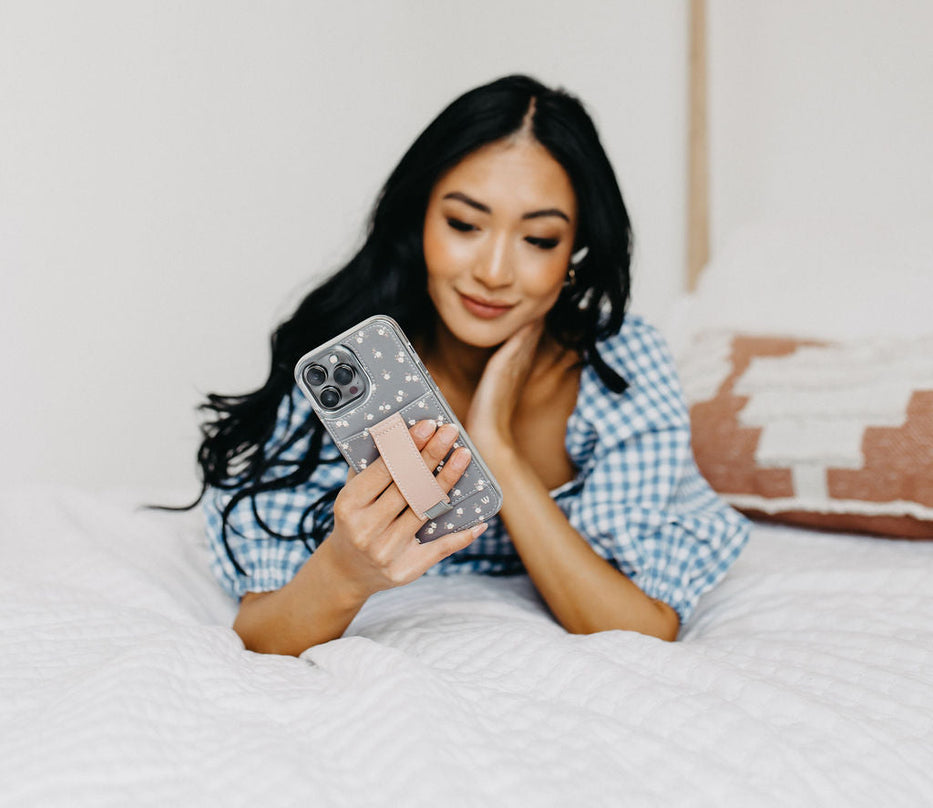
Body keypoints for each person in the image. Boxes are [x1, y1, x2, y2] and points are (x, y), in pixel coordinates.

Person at [198, 75, 748, 654]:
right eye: (464, 225)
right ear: (420, 221)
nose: (493, 270)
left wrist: (497, 447)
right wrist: (345, 569)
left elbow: (643, 629)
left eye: (538, 238)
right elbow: (260, 634)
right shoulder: (350, 367)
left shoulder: (622, 363)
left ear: (574, 253)